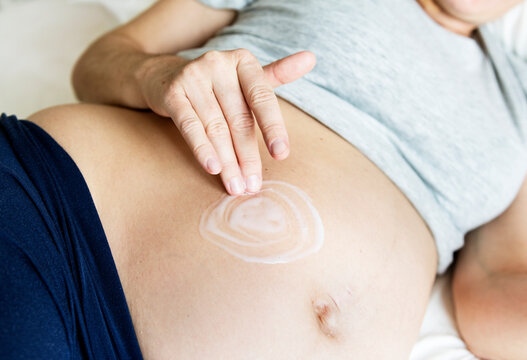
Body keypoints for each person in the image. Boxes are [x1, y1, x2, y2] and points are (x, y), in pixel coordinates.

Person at [0, 0, 526, 358]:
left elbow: (495, 283)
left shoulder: (518, 104)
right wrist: (155, 75)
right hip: (64, 230)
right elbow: (101, 59)